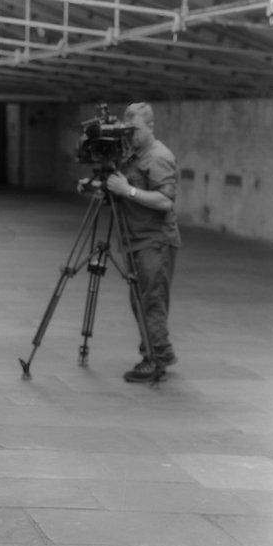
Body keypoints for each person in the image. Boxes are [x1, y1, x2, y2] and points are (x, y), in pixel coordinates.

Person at [105, 102, 181, 384]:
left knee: (151, 302)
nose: (130, 135)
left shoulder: (159, 157)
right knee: (141, 301)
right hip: (136, 239)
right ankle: (157, 352)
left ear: (151, 126)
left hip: (155, 241)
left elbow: (165, 200)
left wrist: (129, 190)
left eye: (135, 130)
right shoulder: (133, 155)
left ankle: (156, 359)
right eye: (127, 130)